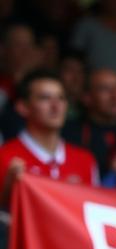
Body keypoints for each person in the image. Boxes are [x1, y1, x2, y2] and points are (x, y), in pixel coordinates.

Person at [0, 69, 98, 208]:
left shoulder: (85, 161)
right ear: (23, 107)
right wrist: (8, 192)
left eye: (61, 98)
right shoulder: (4, 157)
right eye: (45, 98)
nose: (56, 106)